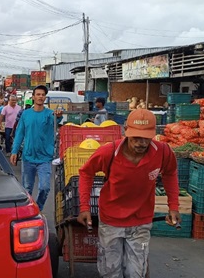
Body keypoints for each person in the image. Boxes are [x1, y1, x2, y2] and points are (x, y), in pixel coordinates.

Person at [77, 108, 181, 278]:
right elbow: (86, 173)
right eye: (136, 138)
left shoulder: (163, 152)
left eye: (146, 138)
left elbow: (170, 174)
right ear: (126, 131)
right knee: (110, 271)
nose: (141, 143)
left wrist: (174, 206)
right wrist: (84, 207)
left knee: (136, 272)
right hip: (111, 220)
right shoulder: (109, 152)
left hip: (141, 221)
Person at [10, 85, 62, 210]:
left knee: (45, 187)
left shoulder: (50, 114)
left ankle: (37, 209)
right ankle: (26, 211)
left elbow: (57, 119)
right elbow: (20, 133)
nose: (40, 97)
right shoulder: (26, 114)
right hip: (28, 157)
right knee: (27, 189)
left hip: (45, 158)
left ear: (45, 97)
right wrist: (14, 151)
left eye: (43, 95)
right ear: (33, 97)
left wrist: (58, 115)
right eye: (38, 94)